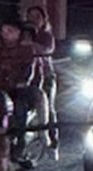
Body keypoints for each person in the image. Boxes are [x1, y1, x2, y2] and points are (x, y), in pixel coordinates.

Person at [0, 16, 38, 166]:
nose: (5, 33)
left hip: (21, 89)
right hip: (1, 88)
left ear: (18, 33)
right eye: (3, 30)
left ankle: (20, 144)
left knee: (20, 109)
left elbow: (29, 68)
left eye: (9, 30)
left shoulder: (26, 48)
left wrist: (22, 81)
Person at [26, 5, 59, 160]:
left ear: (43, 19)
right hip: (27, 76)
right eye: (30, 16)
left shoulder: (46, 35)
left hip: (45, 76)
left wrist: (31, 44)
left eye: (37, 16)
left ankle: (53, 142)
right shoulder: (23, 35)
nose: (33, 19)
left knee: (49, 108)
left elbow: (46, 50)